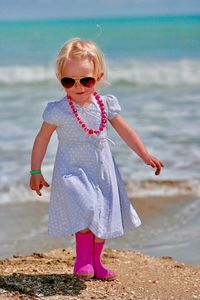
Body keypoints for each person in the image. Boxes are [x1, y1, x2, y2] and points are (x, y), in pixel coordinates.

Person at [29, 37, 164, 281]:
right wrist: (35, 171)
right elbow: (41, 139)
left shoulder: (105, 104)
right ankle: (82, 259)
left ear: (98, 77)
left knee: (103, 213)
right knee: (84, 206)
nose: (78, 86)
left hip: (102, 169)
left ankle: (96, 263)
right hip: (71, 168)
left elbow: (126, 131)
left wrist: (144, 154)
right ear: (60, 80)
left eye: (86, 80)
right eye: (69, 81)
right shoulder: (57, 110)